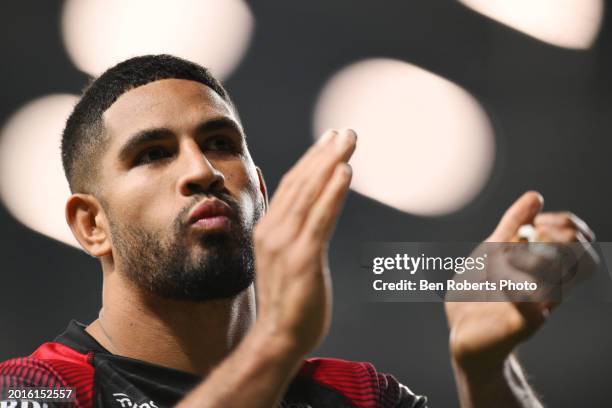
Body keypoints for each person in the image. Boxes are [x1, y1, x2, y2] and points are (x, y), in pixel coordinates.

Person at [0, 55, 596, 408]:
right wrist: (278, 340)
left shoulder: (359, 396)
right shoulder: (39, 387)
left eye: (219, 144)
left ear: (260, 189)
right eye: (154, 153)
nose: (202, 171)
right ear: (91, 224)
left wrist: (488, 371)